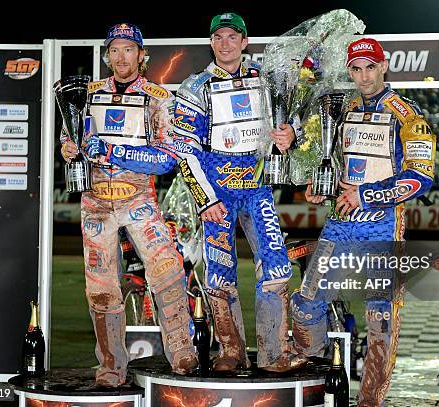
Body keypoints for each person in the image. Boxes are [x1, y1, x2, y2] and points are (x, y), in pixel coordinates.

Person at [86, 13, 304, 373]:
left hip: (257, 189)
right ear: (211, 43)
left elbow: (291, 117)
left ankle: (275, 353)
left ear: (244, 42)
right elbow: (185, 150)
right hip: (217, 191)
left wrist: (290, 134)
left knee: (277, 267)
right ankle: (230, 352)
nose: (225, 43)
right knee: (219, 272)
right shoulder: (194, 87)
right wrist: (206, 200)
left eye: (233, 37)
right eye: (218, 37)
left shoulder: (267, 82)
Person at [60, 23, 215, 386]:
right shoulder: (88, 93)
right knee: (101, 288)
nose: (121, 56)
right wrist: (68, 148)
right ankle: (111, 368)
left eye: (128, 49)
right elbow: (71, 140)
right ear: (106, 56)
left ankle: (183, 356)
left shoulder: (158, 97)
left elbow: (165, 159)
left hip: (138, 200)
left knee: (167, 272)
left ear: (141, 55)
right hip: (95, 204)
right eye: (114, 50)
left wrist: (114, 152)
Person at [291, 38, 435, 406]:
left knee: (379, 320)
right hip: (340, 221)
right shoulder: (346, 107)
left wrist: (366, 194)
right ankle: (314, 377)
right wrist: (321, 185)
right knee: (307, 302)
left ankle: (370, 399)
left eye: (370, 67)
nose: (363, 75)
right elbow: (335, 160)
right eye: (356, 69)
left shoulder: (408, 114)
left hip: (382, 225)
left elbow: (421, 177)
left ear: (383, 66)